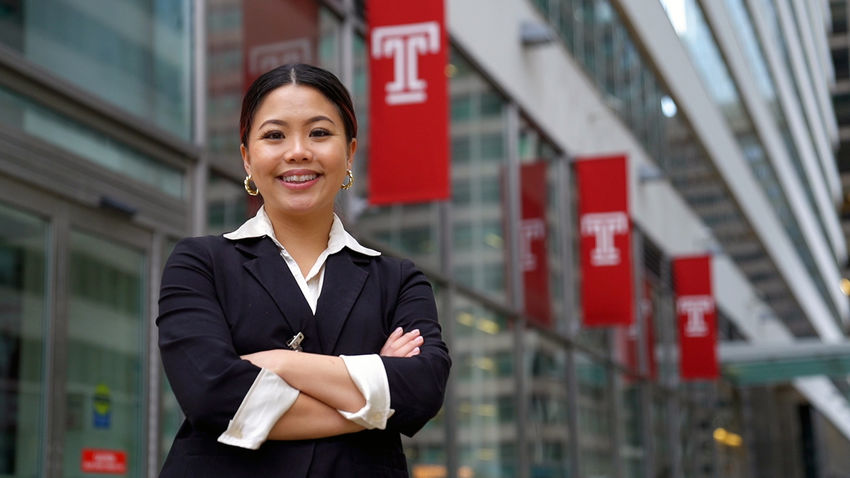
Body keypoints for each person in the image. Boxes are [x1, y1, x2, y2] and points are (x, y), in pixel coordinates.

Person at [157, 63, 451, 477]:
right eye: (274, 135)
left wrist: (281, 363)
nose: (298, 151)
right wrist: (373, 399)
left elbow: (421, 391)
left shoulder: (398, 280)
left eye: (319, 133)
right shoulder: (199, 264)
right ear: (247, 158)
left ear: (349, 152)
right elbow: (211, 395)